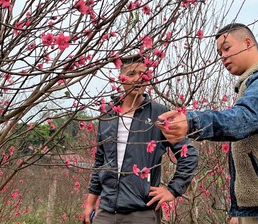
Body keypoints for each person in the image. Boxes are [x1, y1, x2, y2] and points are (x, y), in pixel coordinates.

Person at [157, 23, 258, 224]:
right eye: (219, 52)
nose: (222, 56)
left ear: (248, 43)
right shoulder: (250, 84)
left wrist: (191, 121)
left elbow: (243, 119)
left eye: (227, 48)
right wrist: (241, 212)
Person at [81, 54, 198, 224]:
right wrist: (90, 203)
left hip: (142, 212)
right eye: (131, 74)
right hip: (106, 211)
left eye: (142, 74)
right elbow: (100, 160)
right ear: (120, 78)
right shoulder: (107, 113)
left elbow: (189, 154)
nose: (138, 79)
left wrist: (172, 190)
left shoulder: (159, 114)